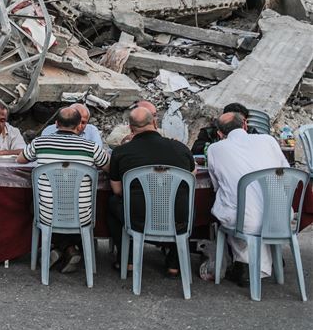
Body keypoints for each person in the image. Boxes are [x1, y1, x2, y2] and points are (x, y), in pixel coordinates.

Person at [17, 106, 110, 273]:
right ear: (79, 126)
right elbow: (109, 167)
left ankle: (61, 248)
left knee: (36, 206)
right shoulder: (92, 148)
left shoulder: (39, 143)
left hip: (47, 213)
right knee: (75, 208)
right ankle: (69, 248)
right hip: (82, 214)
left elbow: (20, 160)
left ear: (56, 123)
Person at [107, 107, 195, 276]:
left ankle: (129, 260)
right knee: (188, 204)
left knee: (113, 203)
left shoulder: (121, 152)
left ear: (131, 128)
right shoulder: (181, 148)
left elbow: (118, 190)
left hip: (138, 218)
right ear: (155, 123)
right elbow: (191, 180)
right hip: (177, 219)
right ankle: (174, 264)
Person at [207, 111, 290, 287]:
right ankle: (259, 263)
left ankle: (245, 265)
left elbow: (216, 186)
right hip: (280, 218)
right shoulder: (268, 140)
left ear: (220, 134)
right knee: (254, 207)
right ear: (245, 125)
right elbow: (286, 172)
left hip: (246, 222)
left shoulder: (215, 149)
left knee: (230, 207)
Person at [41, 103, 105, 150]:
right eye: (76, 121)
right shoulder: (49, 130)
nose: (79, 126)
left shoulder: (91, 130)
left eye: (83, 122)